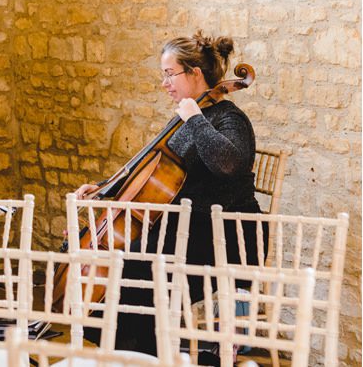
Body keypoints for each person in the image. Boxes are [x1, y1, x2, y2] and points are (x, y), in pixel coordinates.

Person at [78, 32, 261, 355]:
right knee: (121, 262)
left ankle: (147, 354)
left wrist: (194, 118)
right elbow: (154, 172)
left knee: (137, 270)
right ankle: (135, 354)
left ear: (195, 74)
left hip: (226, 233)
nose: (165, 83)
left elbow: (229, 163)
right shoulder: (185, 117)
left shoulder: (230, 117)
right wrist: (106, 188)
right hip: (184, 226)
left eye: (169, 74)